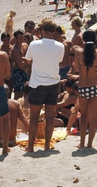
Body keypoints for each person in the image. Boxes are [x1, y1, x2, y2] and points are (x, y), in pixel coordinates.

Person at [23, 19, 65, 152]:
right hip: (53, 83)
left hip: (37, 84)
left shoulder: (34, 44)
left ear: (42, 31)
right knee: (50, 116)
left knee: (34, 117)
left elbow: (28, 60)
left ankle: (30, 146)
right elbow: (59, 60)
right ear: (53, 31)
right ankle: (47, 144)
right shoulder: (60, 46)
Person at [73, 30, 97, 149]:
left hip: (83, 86)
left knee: (83, 116)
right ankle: (90, 144)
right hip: (96, 86)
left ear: (84, 40)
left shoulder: (79, 53)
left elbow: (77, 69)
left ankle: (81, 143)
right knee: (93, 116)